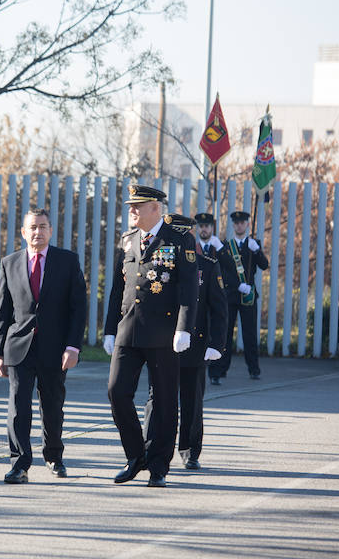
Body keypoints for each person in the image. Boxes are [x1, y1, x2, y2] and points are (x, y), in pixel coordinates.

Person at [102, 185, 198, 487]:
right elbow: (118, 289)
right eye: (131, 206)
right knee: (116, 392)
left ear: (155, 208)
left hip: (163, 332)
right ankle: (135, 456)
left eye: (138, 205)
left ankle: (158, 466)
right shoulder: (128, 240)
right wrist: (109, 328)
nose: (132, 210)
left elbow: (188, 288)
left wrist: (183, 327)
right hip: (128, 330)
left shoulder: (180, 239)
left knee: (165, 401)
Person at [0, 208, 86, 484]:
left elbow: (77, 308)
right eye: (32, 227)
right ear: (23, 232)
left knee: (52, 405)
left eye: (43, 227)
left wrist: (73, 347)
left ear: (50, 230)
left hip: (55, 349)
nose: (38, 232)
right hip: (19, 347)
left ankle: (54, 455)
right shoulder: (10, 263)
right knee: (19, 407)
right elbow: (2, 311)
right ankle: (19, 463)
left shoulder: (68, 262)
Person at [166, 215, 227, 471]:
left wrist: (217, 344)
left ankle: (190, 450)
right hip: (163, 343)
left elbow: (219, 309)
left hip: (196, 343)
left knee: (192, 400)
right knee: (160, 400)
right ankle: (157, 447)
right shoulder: (161, 263)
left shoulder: (207, 265)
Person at [210, 210, 269, 384]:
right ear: (233, 225)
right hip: (231, 295)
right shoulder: (226, 246)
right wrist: (237, 285)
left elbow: (264, 266)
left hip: (248, 296)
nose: (239, 225)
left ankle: (254, 369)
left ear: (248, 225)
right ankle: (219, 370)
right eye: (236, 223)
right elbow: (223, 271)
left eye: (242, 223)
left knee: (250, 333)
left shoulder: (253, 244)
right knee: (225, 334)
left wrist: (257, 251)